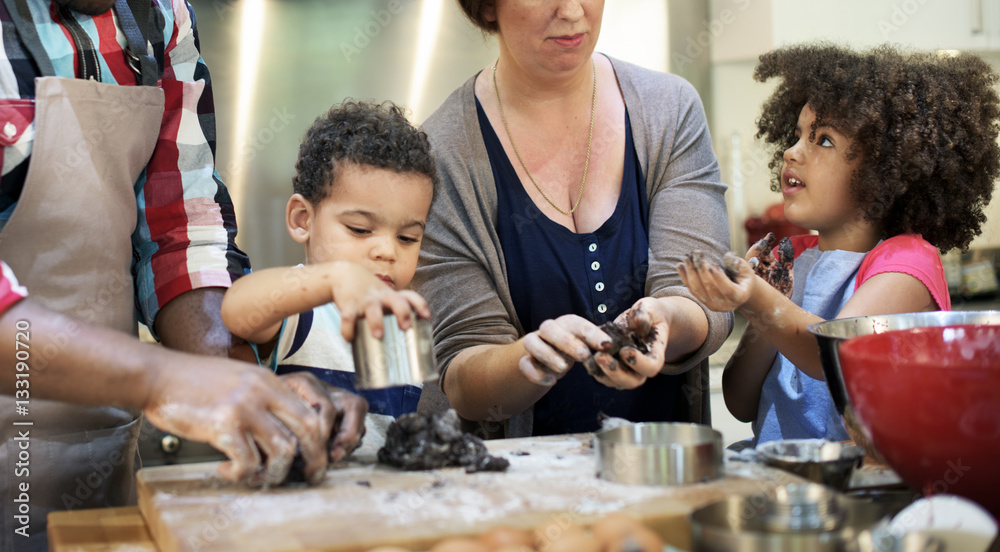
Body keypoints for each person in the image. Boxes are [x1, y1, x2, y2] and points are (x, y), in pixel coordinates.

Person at [0, 1, 361, 549]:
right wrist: (162, 379)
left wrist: (254, 393)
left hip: (88, 458)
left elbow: (179, 233)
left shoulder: (161, 18)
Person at [412, 0, 733, 438]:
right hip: (520, 489)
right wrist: (532, 360)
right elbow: (464, 373)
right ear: (487, 6)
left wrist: (665, 318)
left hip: (662, 470)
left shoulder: (668, 110)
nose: (571, 10)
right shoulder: (443, 155)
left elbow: (706, 296)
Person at [678, 44, 999, 446]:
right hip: (789, 485)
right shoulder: (791, 261)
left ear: (884, 170)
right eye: (797, 135)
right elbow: (741, 402)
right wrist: (761, 308)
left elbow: (827, 356)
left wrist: (757, 298)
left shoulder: (905, 267)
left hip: (868, 493)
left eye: (823, 140)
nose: (792, 152)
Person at [221, 101, 435, 419]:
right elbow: (236, 308)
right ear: (302, 219)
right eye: (360, 229)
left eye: (407, 238)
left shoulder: (403, 323)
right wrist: (334, 279)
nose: (388, 252)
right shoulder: (298, 307)